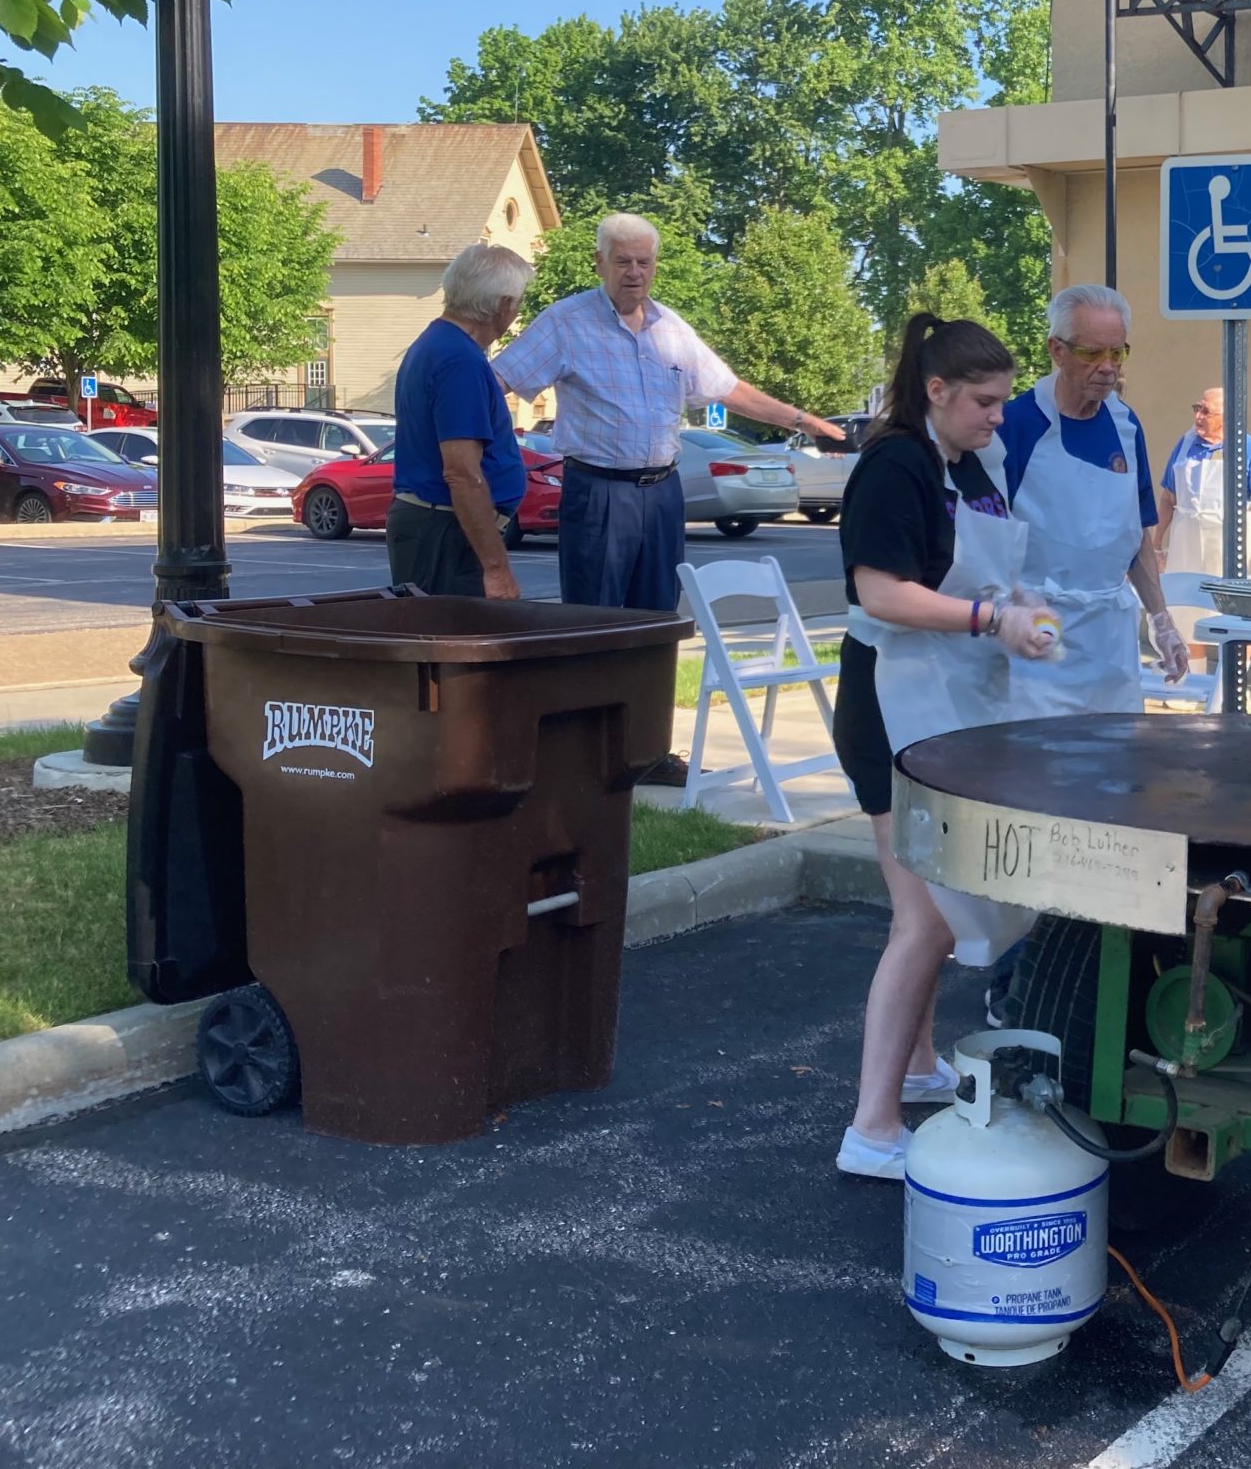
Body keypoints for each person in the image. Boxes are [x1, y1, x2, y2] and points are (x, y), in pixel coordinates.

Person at [494, 213, 841, 778]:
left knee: (656, 626)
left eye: (644, 262)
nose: (635, 273)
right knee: (595, 626)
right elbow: (499, 381)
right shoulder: (565, 323)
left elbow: (728, 389)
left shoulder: (670, 328)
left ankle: (648, 753)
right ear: (600, 264)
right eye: (623, 261)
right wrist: (488, 451)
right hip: (598, 492)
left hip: (662, 494)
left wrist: (803, 418)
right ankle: (587, 761)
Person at [832, 314, 1059, 1180]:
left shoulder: (971, 464)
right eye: (985, 403)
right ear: (936, 391)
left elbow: (988, 570)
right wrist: (987, 619)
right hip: (890, 703)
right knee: (924, 919)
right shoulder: (894, 465)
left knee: (919, 914)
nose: (999, 418)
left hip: (948, 698)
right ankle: (873, 1128)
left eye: (1003, 403)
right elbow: (883, 593)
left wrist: (1020, 604)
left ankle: (919, 1067)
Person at [999, 284, 1188, 714]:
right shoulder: (1015, 426)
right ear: (1057, 350)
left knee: (1114, 767)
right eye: (1091, 354)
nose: (1107, 368)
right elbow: (981, 538)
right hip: (1037, 638)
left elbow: (1137, 532)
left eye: (1118, 353)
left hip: (1109, 643)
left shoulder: (1125, 425)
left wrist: (1161, 620)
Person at [387, 243, 535, 599]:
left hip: (440, 528)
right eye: (518, 302)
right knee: (457, 647)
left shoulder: (437, 343)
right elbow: (462, 473)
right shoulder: (459, 360)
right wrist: (497, 569)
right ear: (503, 305)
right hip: (446, 532)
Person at [1155, 385, 1251, 578]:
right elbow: (1168, 499)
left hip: (1230, 546)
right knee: (1184, 602)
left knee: (1228, 602)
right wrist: (1156, 545)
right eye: (1197, 408)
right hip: (1187, 547)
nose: (1198, 417)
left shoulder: (1246, 446)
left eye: (1206, 412)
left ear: (1226, 418)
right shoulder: (1184, 445)